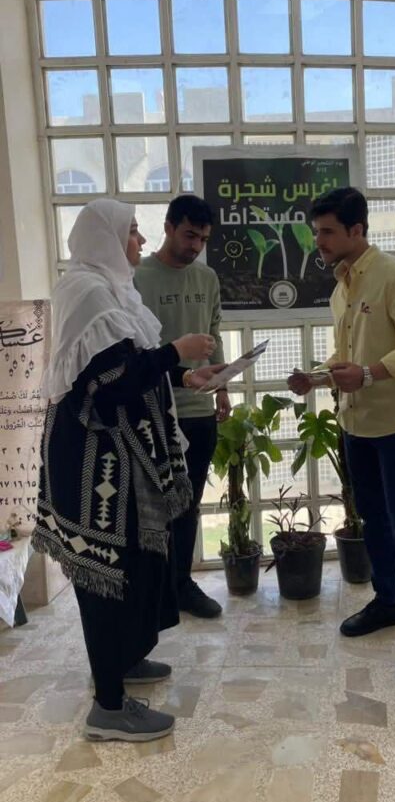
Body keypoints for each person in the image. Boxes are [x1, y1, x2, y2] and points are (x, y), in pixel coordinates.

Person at [32, 199, 225, 742]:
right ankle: (109, 707)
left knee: (133, 564)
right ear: (106, 237)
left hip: (120, 462)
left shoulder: (113, 289)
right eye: (132, 231)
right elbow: (108, 382)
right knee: (105, 575)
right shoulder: (86, 291)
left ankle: (123, 661)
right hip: (93, 467)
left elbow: (127, 366)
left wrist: (182, 377)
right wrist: (174, 353)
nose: (139, 241)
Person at [288, 187, 395, 685]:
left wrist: (370, 375)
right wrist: (315, 378)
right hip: (355, 423)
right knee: (373, 519)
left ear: (357, 230)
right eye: (317, 232)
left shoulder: (394, 276)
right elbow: (344, 358)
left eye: (328, 232)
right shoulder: (340, 289)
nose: (319, 241)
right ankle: (388, 601)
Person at [134, 194, 229, 619]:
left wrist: (223, 388)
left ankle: (181, 584)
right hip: (152, 410)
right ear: (168, 227)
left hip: (199, 409)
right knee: (152, 508)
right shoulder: (137, 278)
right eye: (190, 235)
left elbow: (213, 333)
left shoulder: (207, 277)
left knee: (188, 504)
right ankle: (153, 590)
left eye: (203, 239)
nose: (195, 246)